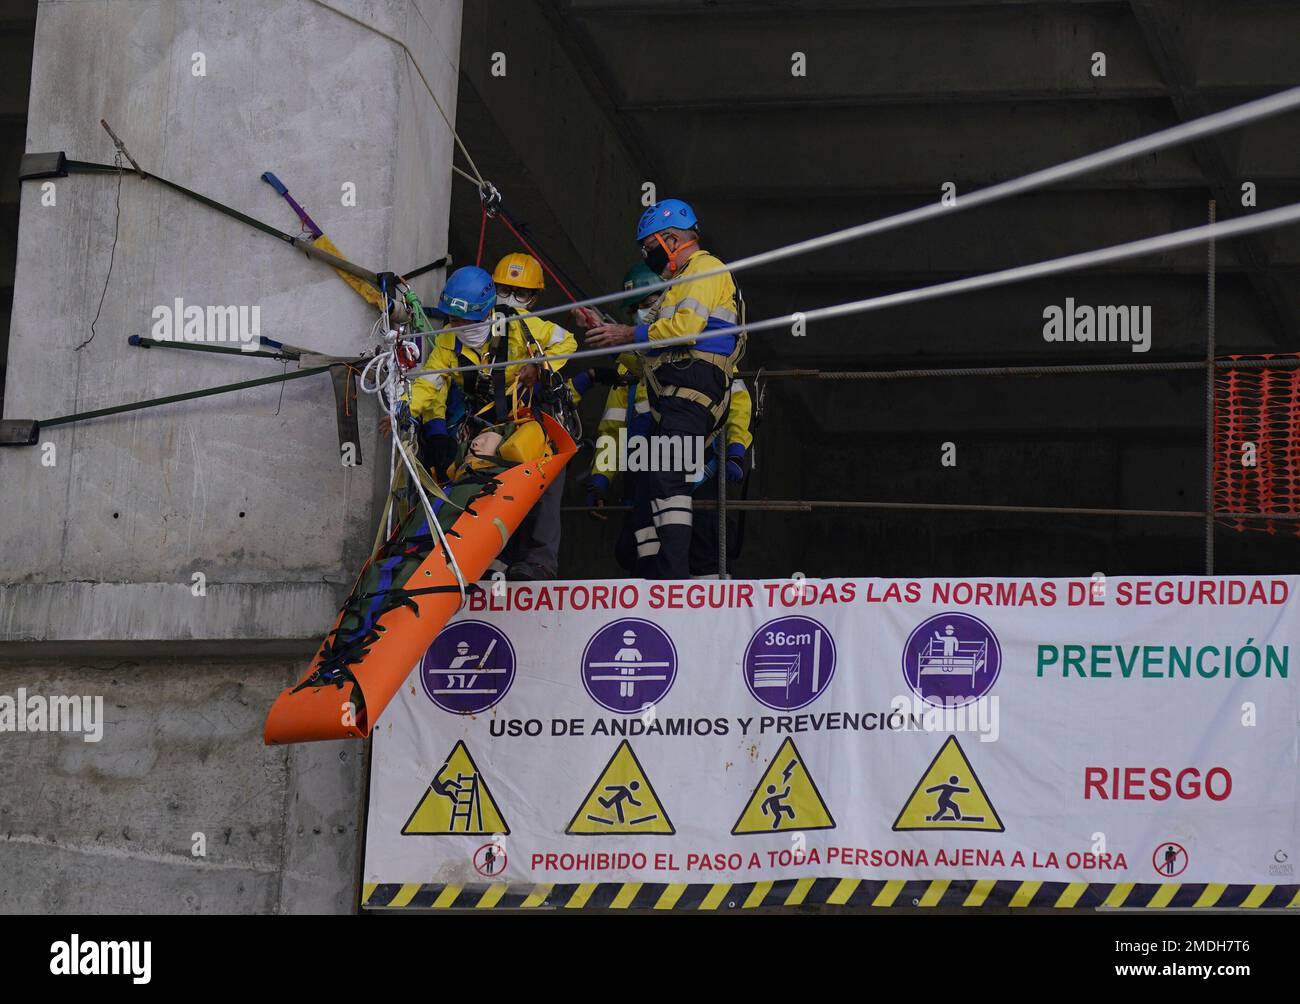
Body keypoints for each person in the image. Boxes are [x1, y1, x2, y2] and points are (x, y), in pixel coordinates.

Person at [585, 199, 745, 578]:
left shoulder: (704, 270)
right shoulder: (679, 282)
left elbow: (685, 329)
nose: (648, 255)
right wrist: (610, 332)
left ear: (670, 239)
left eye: (649, 246)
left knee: (669, 476)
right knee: (662, 479)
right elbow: (647, 350)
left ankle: (675, 576)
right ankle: (667, 573)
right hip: (677, 392)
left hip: (694, 387)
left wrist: (627, 333)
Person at [408, 261, 576, 581]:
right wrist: (406, 411)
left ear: (485, 311)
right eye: (453, 318)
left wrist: (538, 365)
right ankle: (490, 559)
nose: (458, 323)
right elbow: (431, 383)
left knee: (545, 482)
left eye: (464, 318)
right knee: (483, 488)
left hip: (529, 422)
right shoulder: (448, 340)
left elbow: (567, 341)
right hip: (490, 427)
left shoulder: (518, 325)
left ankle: (539, 561)